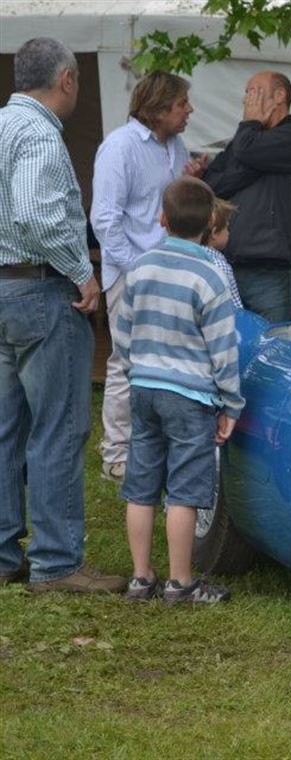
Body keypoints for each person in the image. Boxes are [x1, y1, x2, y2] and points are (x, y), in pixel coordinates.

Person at [0, 37, 126, 594]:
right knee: (58, 426)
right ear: (68, 80)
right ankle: (55, 563)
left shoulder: (2, 126)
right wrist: (83, 272)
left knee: (5, 429)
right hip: (40, 289)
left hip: (3, 289)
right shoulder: (39, 134)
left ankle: (5, 554)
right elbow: (34, 214)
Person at [112, 176, 244, 604]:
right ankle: (180, 582)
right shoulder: (210, 276)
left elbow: (124, 332)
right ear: (210, 222)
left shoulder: (141, 267)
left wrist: (136, 371)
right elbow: (224, 349)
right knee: (185, 489)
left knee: (141, 483)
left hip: (145, 389)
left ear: (161, 218)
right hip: (190, 397)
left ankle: (140, 576)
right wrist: (231, 404)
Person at [91, 71, 203, 484]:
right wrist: (138, 269)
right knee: (127, 363)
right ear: (158, 109)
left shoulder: (177, 146)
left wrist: (192, 178)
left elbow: (173, 211)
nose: (189, 110)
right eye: (181, 105)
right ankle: (116, 454)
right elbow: (104, 218)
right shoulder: (119, 148)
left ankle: (154, 446)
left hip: (172, 272)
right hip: (130, 275)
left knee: (167, 361)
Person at [203, 71, 291, 323]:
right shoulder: (245, 139)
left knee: (271, 349)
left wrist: (249, 127)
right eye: (246, 92)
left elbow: (244, 153)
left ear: (280, 95)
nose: (247, 99)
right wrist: (253, 158)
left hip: (272, 273)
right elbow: (212, 184)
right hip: (229, 267)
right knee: (230, 348)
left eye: (253, 90)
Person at [200, 197, 243, 309]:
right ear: (214, 233)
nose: (228, 232)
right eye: (226, 227)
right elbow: (235, 310)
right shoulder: (220, 267)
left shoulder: (189, 258)